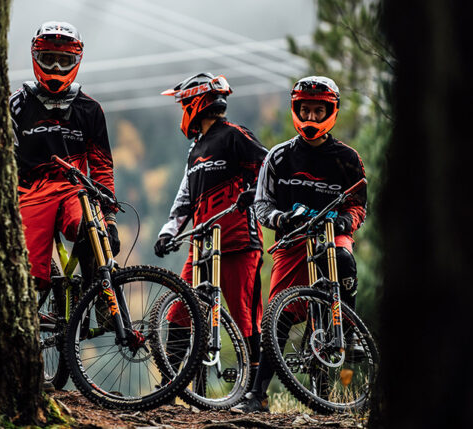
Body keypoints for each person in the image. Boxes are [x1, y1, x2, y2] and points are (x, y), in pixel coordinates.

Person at [233, 76, 368, 412]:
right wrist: (281, 219)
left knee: (343, 260)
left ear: (331, 112)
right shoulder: (279, 157)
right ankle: (257, 395)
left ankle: (348, 333)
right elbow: (262, 204)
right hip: (292, 241)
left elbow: (359, 204)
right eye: (305, 110)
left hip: (331, 233)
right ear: (296, 109)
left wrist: (345, 221)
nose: (310, 117)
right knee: (277, 317)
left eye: (318, 111)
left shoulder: (348, 159)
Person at [154, 72, 269, 387]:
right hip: (203, 245)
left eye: (184, 105)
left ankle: (255, 393)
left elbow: (269, 167)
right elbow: (185, 197)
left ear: (196, 104)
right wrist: (168, 231)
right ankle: (168, 384)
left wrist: (255, 192)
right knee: (179, 311)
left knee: (245, 317)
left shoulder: (234, 135)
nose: (183, 111)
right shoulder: (195, 149)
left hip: (238, 241)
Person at [9, 21, 119, 289]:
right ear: (36, 58)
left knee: (94, 232)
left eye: (64, 61)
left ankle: (99, 294)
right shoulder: (16, 105)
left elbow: (102, 167)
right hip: (30, 195)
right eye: (49, 59)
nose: (56, 68)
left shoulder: (90, 109)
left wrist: (110, 218)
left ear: (76, 61)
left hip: (75, 192)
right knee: (28, 280)